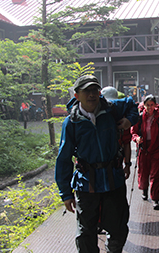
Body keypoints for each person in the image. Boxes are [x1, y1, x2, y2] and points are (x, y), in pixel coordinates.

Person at [55, 75, 138, 253]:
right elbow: (64, 158)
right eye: (87, 91)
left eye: (95, 90)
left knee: (118, 225)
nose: (92, 95)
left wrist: (130, 120)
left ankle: (113, 249)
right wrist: (65, 193)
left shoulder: (111, 109)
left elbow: (132, 104)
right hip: (86, 183)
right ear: (77, 95)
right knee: (86, 232)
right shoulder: (71, 122)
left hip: (113, 179)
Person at [131, 94, 159, 210]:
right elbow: (133, 131)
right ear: (144, 105)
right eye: (147, 105)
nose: (149, 107)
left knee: (155, 174)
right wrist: (136, 138)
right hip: (143, 149)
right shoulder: (140, 117)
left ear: (155, 105)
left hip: (156, 149)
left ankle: (155, 198)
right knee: (144, 172)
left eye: (151, 105)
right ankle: (144, 190)